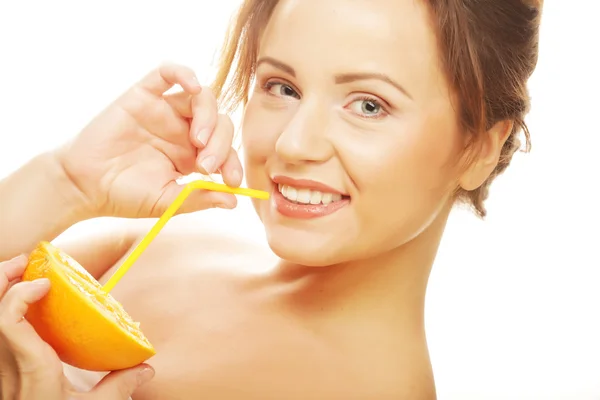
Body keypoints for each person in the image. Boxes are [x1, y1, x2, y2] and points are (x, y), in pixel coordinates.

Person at [0, 0, 543, 398]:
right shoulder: (167, 245)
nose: (292, 144)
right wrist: (67, 181)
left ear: (478, 147)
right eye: (282, 88)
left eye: (369, 105)